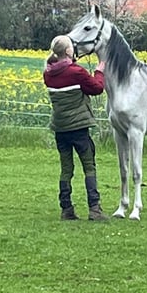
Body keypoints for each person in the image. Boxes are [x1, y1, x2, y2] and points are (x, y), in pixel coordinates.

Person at [43, 35, 109, 221]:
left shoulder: (48, 73)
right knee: (89, 166)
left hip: (60, 128)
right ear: (68, 51)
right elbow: (96, 88)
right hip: (79, 128)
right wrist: (99, 71)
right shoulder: (77, 72)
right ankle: (94, 209)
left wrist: (71, 63)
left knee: (66, 169)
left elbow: (63, 72)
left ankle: (66, 208)